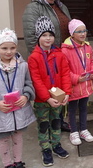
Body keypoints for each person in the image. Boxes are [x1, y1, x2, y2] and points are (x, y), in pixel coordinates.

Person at [0, 28, 36, 168]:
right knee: (3, 140)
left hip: (19, 112)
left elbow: (29, 84)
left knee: (18, 137)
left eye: (12, 48)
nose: (8, 52)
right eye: (4, 48)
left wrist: (26, 96)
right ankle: (7, 164)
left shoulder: (23, 66)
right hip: (1, 114)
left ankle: (18, 161)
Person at [22, 0, 72, 132]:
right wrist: (40, 58)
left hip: (61, 55)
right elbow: (31, 37)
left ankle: (60, 120)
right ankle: (49, 122)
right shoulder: (33, 8)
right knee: (49, 89)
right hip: (46, 58)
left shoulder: (60, 5)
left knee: (61, 89)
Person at [27, 16, 72, 166]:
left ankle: (56, 144)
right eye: (44, 35)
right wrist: (46, 98)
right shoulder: (34, 57)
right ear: (38, 37)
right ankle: (46, 148)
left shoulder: (59, 54)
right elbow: (36, 80)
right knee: (44, 124)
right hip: (42, 101)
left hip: (58, 98)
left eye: (50, 35)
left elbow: (65, 74)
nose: (47, 38)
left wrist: (66, 93)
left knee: (56, 122)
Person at [61, 19, 93, 145]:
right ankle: (73, 131)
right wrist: (76, 78)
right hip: (73, 86)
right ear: (72, 34)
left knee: (83, 107)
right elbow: (64, 71)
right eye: (79, 31)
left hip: (86, 84)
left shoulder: (87, 47)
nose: (83, 34)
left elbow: (91, 63)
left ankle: (83, 129)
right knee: (72, 109)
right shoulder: (65, 50)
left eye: (84, 31)